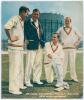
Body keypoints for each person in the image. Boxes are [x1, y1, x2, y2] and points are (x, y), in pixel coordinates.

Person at [4, 6, 30, 95]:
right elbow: (6, 27)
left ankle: (19, 85)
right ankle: (13, 89)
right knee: (14, 69)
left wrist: (24, 40)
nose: (27, 15)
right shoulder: (14, 18)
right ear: (22, 12)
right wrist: (11, 37)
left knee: (19, 69)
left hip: (19, 48)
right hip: (14, 48)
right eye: (27, 13)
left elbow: (18, 32)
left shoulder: (21, 21)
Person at [24, 9, 45, 87]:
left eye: (37, 14)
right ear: (32, 14)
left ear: (39, 15)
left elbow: (42, 34)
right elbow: (24, 32)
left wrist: (43, 42)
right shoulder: (27, 22)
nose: (36, 16)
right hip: (31, 45)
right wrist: (25, 39)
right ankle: (27, 81)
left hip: (39, 45)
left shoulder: (39, 23)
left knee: (38, 63)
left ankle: (36, 79)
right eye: (35, 14)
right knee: (29, 64)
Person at [57, 17, 81, 82]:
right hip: (64, 49)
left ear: (70, 21)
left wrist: (76, 43)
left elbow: (80, 36)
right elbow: (56, 35)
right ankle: (62, 77)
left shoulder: (74, 28)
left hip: (72, 49)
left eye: (68, 21)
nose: (67, 22)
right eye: (66, 21)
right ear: (64, 21)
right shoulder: (61, 28)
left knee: (72, 63)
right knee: (63, 64)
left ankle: (74, 77)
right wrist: (60, 42)